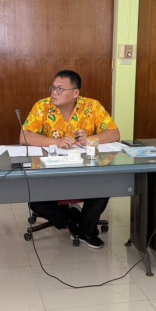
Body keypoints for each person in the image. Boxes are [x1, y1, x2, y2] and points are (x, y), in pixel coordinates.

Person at [20, 70, 120, 249]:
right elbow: (24, 136)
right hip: (50, 173)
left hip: (85, 171)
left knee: (104, 187)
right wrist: (56, 142)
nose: (54, 93)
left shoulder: (92, 106)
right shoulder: (42, 106)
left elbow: (114, 133)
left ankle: (86, 231)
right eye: (53, 88)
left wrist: (91, 139)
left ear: (75, 93)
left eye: (60, 89)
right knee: (35, 200)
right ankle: (71, 220)